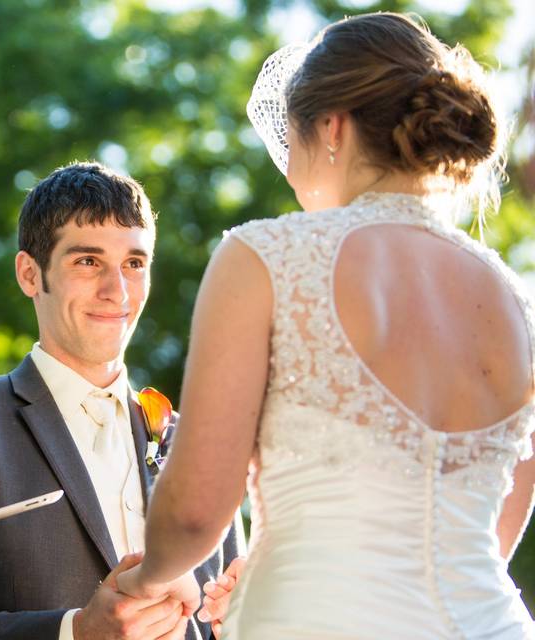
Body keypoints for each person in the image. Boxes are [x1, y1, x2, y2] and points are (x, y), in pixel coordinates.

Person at [116, 12, 535, 639]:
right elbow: (499, 518)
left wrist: (140, 583)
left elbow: (197, 511)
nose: (290, 167)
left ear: (332, 126)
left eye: (291, 138)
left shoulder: (267, 257)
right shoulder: (514, 297)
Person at [0, 161, 244, 640]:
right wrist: (74, 632)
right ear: (30, 274)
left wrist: (245, 620)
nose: (118, 291)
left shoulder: (199, 444)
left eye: (134, 263)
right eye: (88, 261)